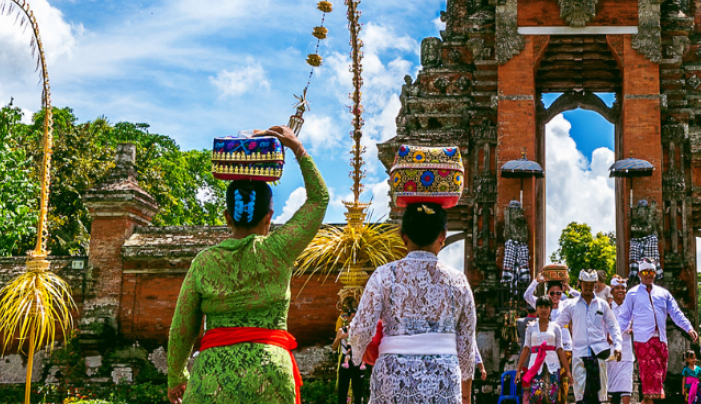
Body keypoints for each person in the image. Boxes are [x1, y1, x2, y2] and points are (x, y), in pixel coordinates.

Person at [165, 126, 324, 404]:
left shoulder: (204, 262)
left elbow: (182, 327)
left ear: (227, 217)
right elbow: (319, 199)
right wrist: (297, 148)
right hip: (270, 374)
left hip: (212, 378)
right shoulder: (279, 250)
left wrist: (177, 377)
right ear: (269, 217)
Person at [347, 201, 479, 404]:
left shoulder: (384, 275)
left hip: (392, 376)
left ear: (403, 237)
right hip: (442, 379)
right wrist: (466, 396)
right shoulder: (458, 280)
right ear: (442, 237)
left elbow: (360, 330)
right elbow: (466, 346)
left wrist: (358, 357)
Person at [617, 260, 699, 404]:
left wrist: (689, 328)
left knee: (660, 377)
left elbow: (675, 313)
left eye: (651, 272)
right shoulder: (632, 294)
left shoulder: (663, 293)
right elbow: (624, 317)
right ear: (639, 274)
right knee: (651, 381)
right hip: (643, 341)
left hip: (661, 340)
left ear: (655, 274)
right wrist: (615, 335)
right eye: (645, 272)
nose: (649, 275)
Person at [556, 270, 619, 404]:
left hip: (599, 353)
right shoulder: (571, 305)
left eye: (591, 285)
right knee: (581, 396)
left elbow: (613, 326)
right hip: (580, 353)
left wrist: (618, 346)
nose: (589, 288)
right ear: (580, 283)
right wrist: (542, 330)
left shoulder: (602, 304)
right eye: (586, 284)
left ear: (595, 284)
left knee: (599, 397)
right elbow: (558, 324)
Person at [519, 297, 571, 404]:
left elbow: (560, 350)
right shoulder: (531, 327)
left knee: (552, 397)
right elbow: (526, 349)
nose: (543, 310)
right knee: (535, 396)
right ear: (537, 309)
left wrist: (568, 371)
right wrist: (518, 370)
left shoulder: (556, 327)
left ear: (550, 308)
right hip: (534, 366)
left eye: (546, 307)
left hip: (553, 365)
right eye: (540, 307)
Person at [335, 321, 372, 404]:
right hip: (346, 359)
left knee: (358, 390)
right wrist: (339, 337)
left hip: (357, 360)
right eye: (352, 318)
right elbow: (334, 347)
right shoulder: (342, 330)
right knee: (342, 389)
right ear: (348, 319)